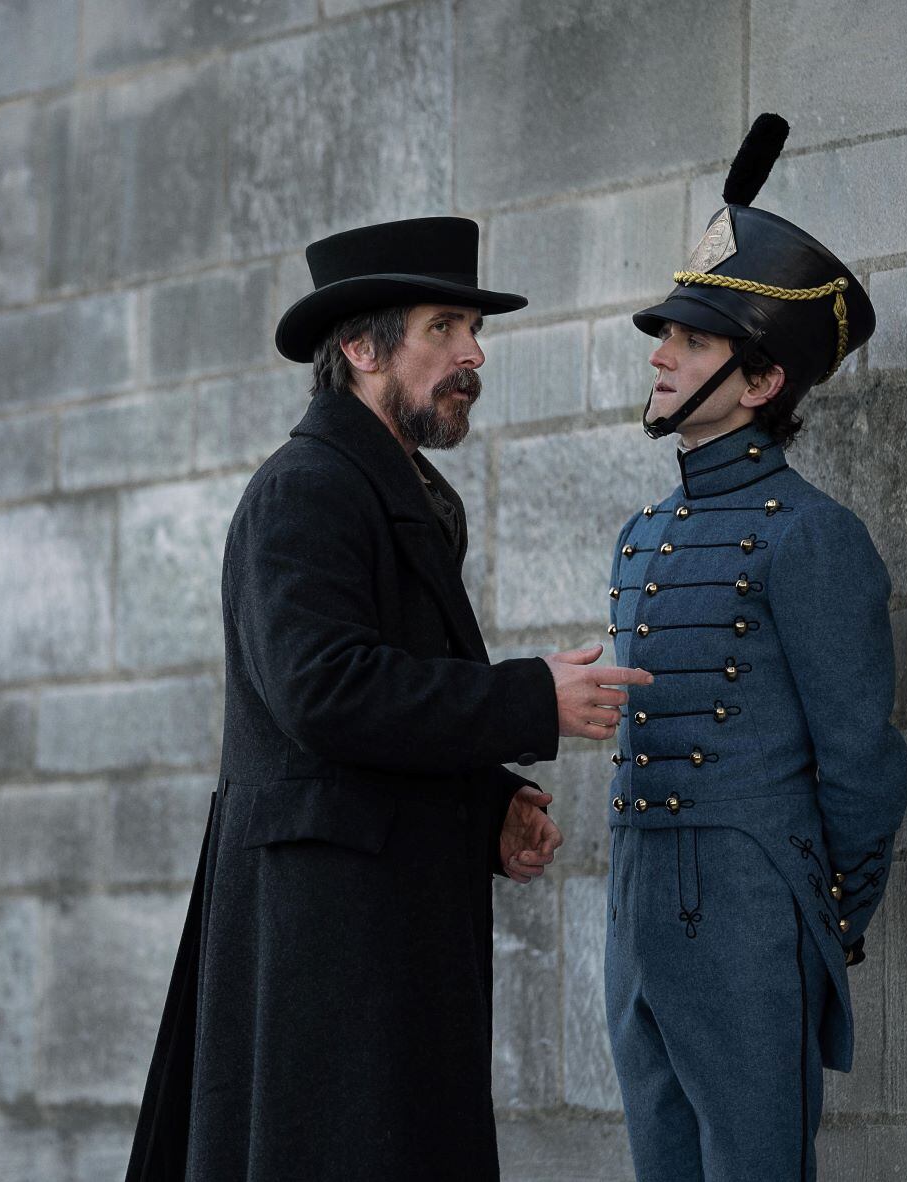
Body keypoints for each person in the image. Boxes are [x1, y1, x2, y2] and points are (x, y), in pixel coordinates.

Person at [126, 215, 652, 1181]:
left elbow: (370, 705)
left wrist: (487, 800)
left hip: (382, 924)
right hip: (326, 940)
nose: (473, 355)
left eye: (472, 331)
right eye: (444, 328)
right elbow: (321, 693)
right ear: (363, 349)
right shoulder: (306, 488)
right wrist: (529, 698)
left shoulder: (397, 487)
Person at [602, 114, 907, 1181]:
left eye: (689, 340)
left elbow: (862, 763)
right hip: (637, 911)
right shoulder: (643, 536)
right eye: (666, 333)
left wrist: (816, 919)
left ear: (764, 381)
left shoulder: (812, 538)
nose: (661, 352)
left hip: (746, 914)